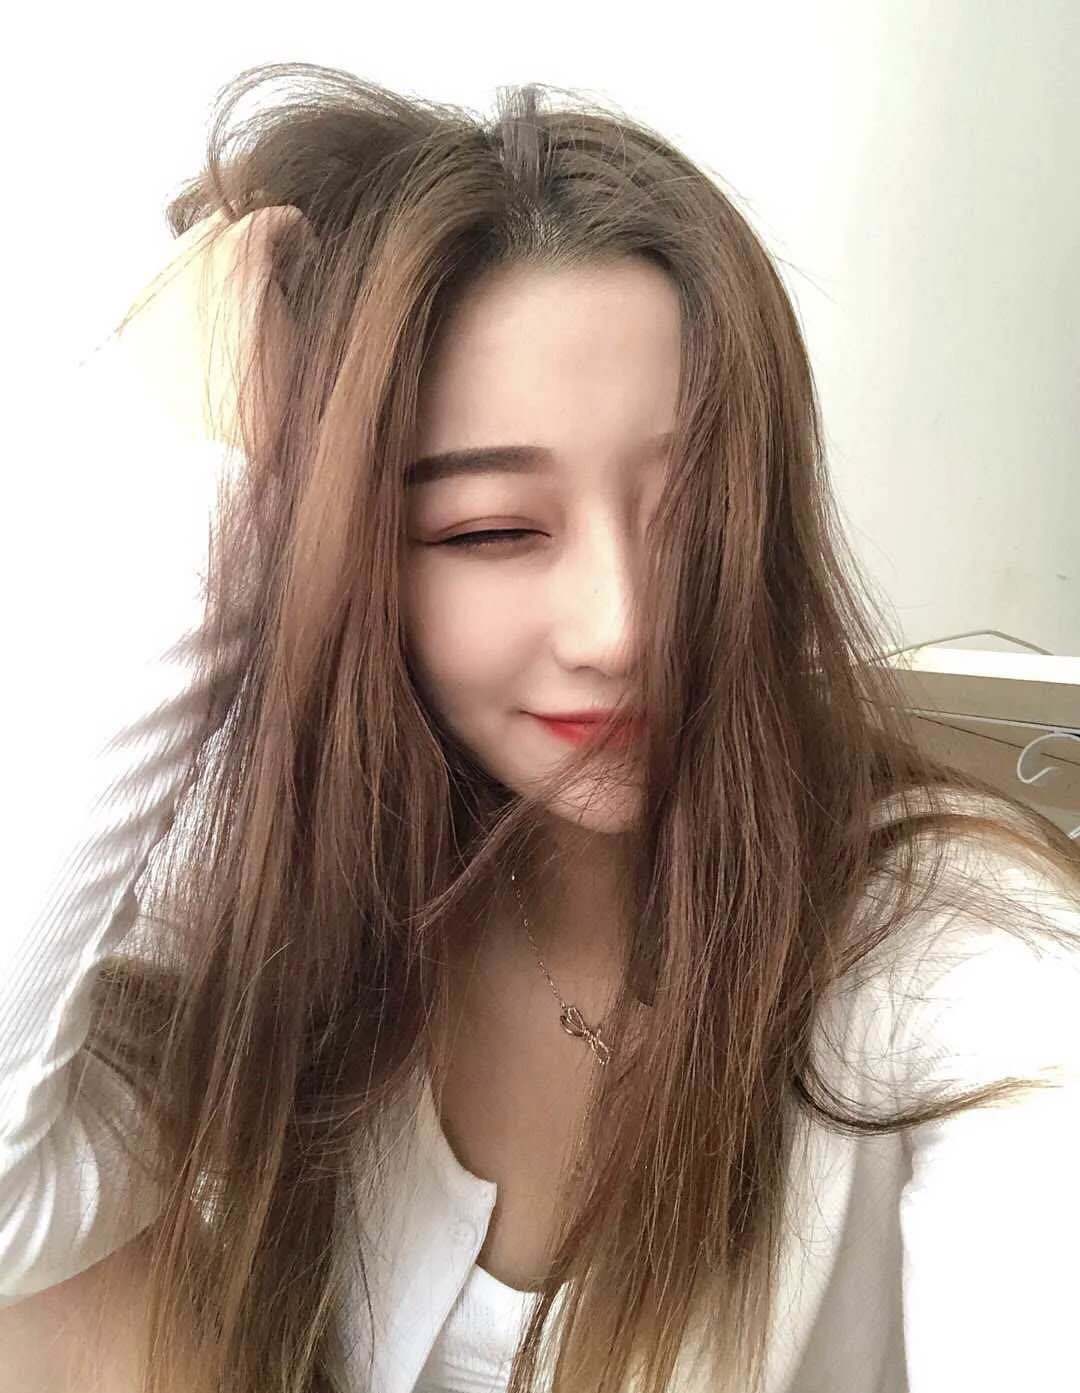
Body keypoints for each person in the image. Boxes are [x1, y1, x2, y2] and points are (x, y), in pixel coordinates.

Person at [2, 61, 1079, 1393]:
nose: (622, 626)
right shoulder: (293, 904)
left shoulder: (964, 954)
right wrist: (200, 481)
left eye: (696, 517)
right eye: (493, 530)